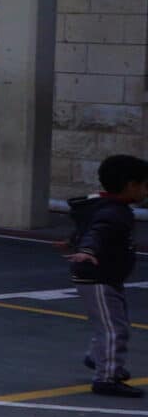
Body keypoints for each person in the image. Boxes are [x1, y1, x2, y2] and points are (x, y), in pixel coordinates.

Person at [65, 154, 145, 399]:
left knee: (113, 323)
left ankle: (100, 359)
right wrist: (86, 250)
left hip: (106, 277)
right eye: (145, 185)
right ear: (131, 186)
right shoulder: (113, 212)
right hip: (98, 277)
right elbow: (96, 233)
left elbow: (87, 229)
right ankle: (106, 378)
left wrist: (73, 243)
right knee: (113, 328)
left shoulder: (102, 206)